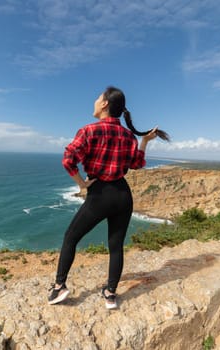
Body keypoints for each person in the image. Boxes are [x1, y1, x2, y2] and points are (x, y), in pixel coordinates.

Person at [48, 86, 170, 309]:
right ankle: (110, 294)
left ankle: (59, 287)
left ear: (105, 104)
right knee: (116, 246)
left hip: (100, 194)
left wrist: (82, 184)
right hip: (123, 195)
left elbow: (68, 159)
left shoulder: (88, 131)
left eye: (97, 98)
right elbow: (137, 164)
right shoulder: (128, 135)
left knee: (70, 237)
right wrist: (145, 142)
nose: (94, 101)